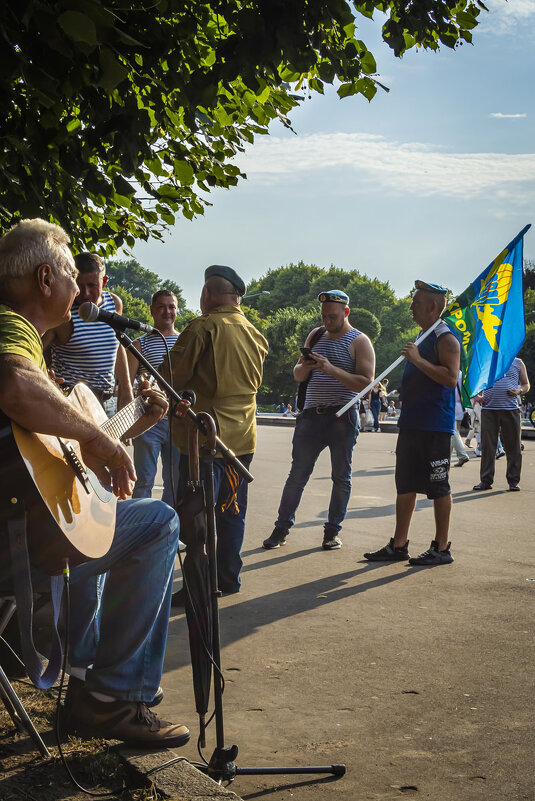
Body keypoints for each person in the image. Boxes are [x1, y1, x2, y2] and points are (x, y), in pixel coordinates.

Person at [0, 219, 189, 748]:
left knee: (102, 519)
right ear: (44, 279)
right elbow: (16, 386)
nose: (79, 287)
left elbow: (55, 446)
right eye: (68, 272)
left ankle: (84, 675)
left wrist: (129, 425)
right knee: (157, 522)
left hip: (21, 528)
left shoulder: (31, 343)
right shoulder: (10, 327)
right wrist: (101, 441)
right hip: (11, 547)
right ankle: (108, 698)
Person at [170, 265, 268, 594]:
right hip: (243, 437)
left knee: (197, 517)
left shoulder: (203, 328)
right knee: (232, 511)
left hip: (205, 439)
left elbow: (171, 377)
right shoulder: (255, 333)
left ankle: (197, 587)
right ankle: (227, 577)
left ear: (207, 295)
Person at [263, 289, 375, 551]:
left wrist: (331, 369)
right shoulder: (315, 335)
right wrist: (307, 366)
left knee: (341, 477)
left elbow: (365, 383)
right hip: (311, 416)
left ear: (346, 313)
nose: (327, 321)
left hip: (342, 417)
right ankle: (281, 529)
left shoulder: (359, 341)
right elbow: (298, 374)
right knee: (297, 475)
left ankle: (332, 532)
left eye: (332, 316)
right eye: (324, 316)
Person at [363, 280, 460, 566]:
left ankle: (442, 548)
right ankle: (399, 543)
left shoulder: (445, 338)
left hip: (435, 426)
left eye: (416, 302)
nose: (410, 307)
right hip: (412, 424)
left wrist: (417, 360)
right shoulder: (422, 336)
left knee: (438, 486)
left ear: (432, 306)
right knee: (405, 485)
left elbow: (450, 378)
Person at [44, 252, 133, 415]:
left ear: (104, 281)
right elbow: (35, 349)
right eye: (80, 285)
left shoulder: (114, 303)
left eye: (92, 285)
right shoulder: (63, 311)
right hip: (72, 405)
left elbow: (117, 344)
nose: (85, 293)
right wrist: (45, 377)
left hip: (107, 402)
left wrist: (127, 392)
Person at [126, 290, 180, 505]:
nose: (167, 311)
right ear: (152, 310)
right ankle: (141, 532)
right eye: (161, 307)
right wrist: (130, 423)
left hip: (179, 421)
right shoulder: (139, 345)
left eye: (172, 307)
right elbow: (127, 385)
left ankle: (168, 529)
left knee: (176, 482)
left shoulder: (185, 342)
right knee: (144, 480)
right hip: (149, 422)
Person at [472, 356, 530, 492]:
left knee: (513, 447)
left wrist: (519, 391)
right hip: (489, 410)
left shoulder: (518, 362)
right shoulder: (487, 359)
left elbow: (526, 384)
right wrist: (477, 396)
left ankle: (513, 481)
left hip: (510, 410)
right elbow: (477, 381)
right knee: (487, 447)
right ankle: (485, 480)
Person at [451, 371, 470, 467]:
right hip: (460, 407)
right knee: (453, 434)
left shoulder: (450, 372)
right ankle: (446, 459)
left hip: (451, 406)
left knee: (452, 432)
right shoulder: (462, 374)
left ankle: (462, 455)